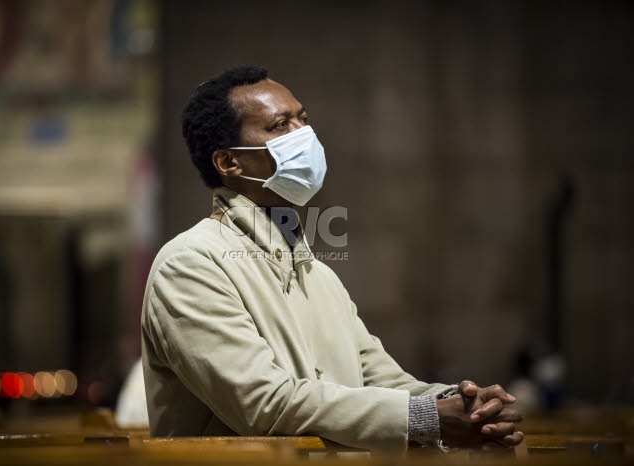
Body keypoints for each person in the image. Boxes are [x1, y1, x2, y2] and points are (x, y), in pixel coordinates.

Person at [141, 66, 523, 450]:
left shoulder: (317, 273)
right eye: (279, 126)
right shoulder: (190, 264)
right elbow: (263, 404)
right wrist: (426, 420)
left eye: (303, 120)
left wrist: (468, 407)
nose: (304, 136)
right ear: (229, 162)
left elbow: (382, 382)